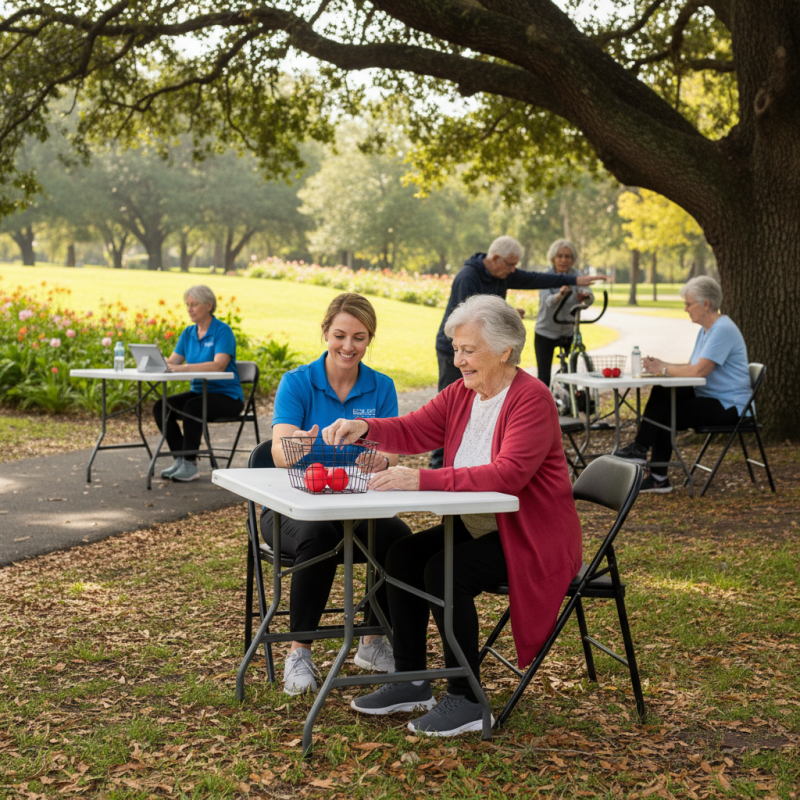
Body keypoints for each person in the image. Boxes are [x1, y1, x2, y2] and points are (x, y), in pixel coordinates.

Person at [323, 294, 583, 737]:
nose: (458, 360)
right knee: (403, 556)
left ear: (504, 351)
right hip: (478, 525)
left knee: (445, 571)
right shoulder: (463, 392)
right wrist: (366, 428)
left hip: (530, 537)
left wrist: (419, 480)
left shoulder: (531, 400)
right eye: (456, 349)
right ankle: (411, 681)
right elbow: (414, 427)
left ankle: (466, 699)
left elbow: (508, 475)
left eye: (468, 350)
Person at [264, 293, 412, 695]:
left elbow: (391, 454)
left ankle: (371, 641)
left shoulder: (381, 387)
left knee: (399, 541)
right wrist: (304, 444)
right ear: (326, 332)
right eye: (341, 335)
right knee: (321, 534)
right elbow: (278, 454)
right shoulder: (297, 382)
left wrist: (377, 462)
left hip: (356, 504)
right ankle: (299, 650)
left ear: (370, 339)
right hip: (292, 509)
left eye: (359, 338)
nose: (349, 346)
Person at [429, 235, 604, 468]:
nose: (513, 271)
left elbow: (536, 278)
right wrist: (500, 318)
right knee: (453, 408)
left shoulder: (503, 272)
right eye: (511, 265)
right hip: (456, 348)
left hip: (484, 348)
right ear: (496, 258)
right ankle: (439, 465)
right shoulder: (468, 277)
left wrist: (575, 278)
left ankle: (473, 463)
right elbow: (465, 321)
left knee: (480, 405)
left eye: (515, 265)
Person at [615, 276, 752, 494]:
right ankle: (642, 453)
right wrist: (661, 365)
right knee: (663, 390)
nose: (685, 309)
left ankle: (655, 472)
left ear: (706, 304)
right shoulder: (706, 330)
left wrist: (663, 369)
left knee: (665, 414)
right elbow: (691, 365)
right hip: (710, 396)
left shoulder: (722, 329)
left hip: (730, 405)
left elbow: (699, 371)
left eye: (689, 304)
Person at [155, 285, 244, 483]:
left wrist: (186, 368)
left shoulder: (222, 331)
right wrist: (159, 362)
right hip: (199, 392)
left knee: (192, 407)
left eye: (194, 304)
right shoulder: (188, 333)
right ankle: (181, 460)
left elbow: (219, 365)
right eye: (188, 305)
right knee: (161, 407)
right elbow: (172, 363)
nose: (189, 309)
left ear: (209, 305)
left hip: (228, 396)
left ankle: (190, 464)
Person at [534, 238, 594, 389]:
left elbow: (588, 294)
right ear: (553, 258)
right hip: (545, 332)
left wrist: (586, 298)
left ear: (573, 259)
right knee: (544, 377)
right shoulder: (545, 276)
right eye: (559, 256)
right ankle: (543, 408)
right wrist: (559, 295)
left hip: (567, 330)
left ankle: (570, 402)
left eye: (567, 256)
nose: (563, 260)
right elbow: (547, 301)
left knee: (570, 374)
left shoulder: (576, 276)